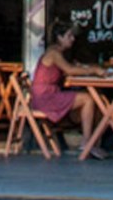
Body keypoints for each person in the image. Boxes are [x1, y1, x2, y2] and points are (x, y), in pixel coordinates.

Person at [29, 20, 104, 157]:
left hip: (46, 94)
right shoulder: (54, 53)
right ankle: (86, 142)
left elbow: (66, 68)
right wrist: (93, 70)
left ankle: (89, 140)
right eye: (69, 36)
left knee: (87, 97)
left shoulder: (56, 52)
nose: (73, 39)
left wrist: (81, 67)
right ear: (59, 37)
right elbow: (69, 70)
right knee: (87, 99)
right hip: (45, 97)